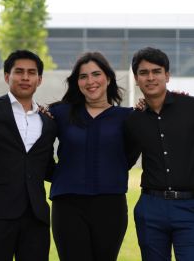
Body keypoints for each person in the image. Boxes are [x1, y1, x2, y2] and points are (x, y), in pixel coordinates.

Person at [124, 47, 194, 261]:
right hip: (150, 207)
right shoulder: (133, 119)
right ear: (136, 79)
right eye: (144, 73)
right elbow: (124, 160)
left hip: (189, 207)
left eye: (156, 71)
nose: (151, 77)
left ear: (167, 75)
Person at [0, 50, 57, 261]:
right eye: (19, 72)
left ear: (39, 79)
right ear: (7, 76)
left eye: (31, 73)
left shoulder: (49, 122)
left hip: (36, 216)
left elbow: (47, 168)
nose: (25, 77)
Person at [47, 52, 131, 261]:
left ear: (108, 78)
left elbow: (129, 156)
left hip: (110, 206)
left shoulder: (127, 117)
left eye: (96, 74)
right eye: (83, 76)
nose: (90, 81)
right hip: (68, 205)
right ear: (77, 82)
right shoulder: (59, 113)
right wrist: (56, 175)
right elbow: (38, 147)